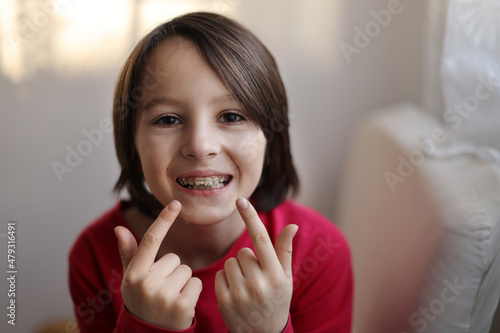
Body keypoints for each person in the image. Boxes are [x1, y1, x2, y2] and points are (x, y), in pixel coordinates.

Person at [68, 12, 353, 333]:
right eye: (168, 119)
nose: (201, 146)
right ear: (132, 142)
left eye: (231, 116)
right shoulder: (94, 254)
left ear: (271, 139)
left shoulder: (320, 251)